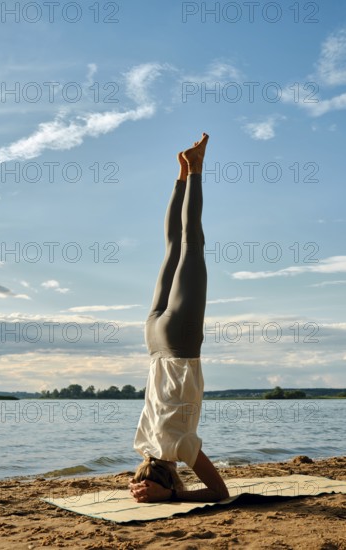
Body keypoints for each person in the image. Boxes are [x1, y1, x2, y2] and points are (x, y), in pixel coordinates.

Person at [129, 133, 229, 503]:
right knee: (172, 248)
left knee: (192, 245)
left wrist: (171, 498)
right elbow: (145, 468)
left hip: (179, 343)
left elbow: (220, 492)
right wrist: (140, 483)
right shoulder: (143, 442)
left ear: (174, 479)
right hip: (154, 341)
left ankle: (197, 169)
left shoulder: (180, 448)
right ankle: (182, 172)